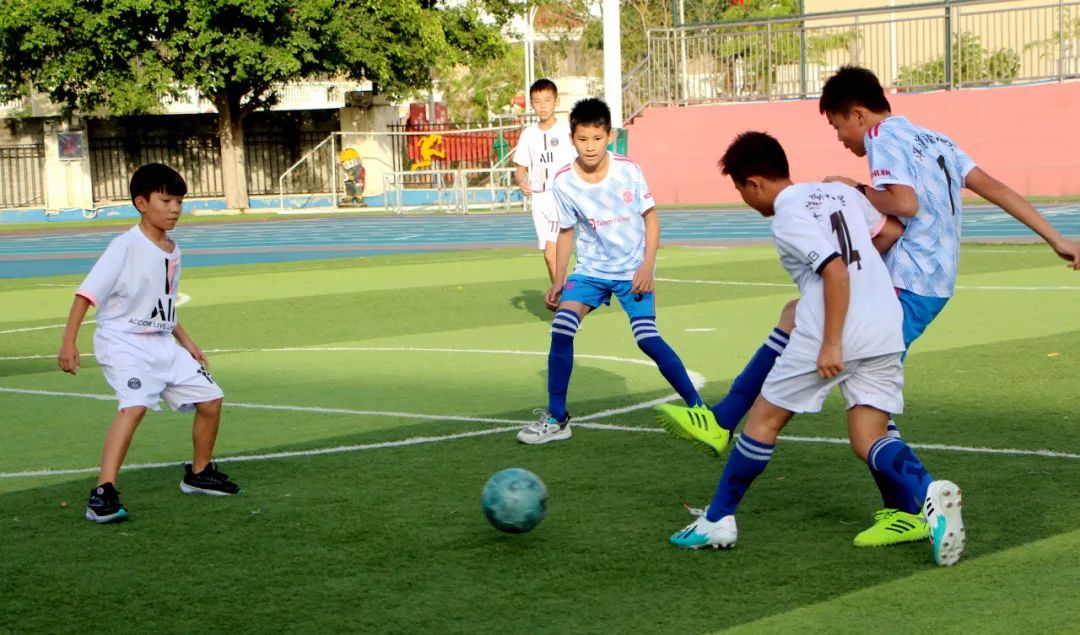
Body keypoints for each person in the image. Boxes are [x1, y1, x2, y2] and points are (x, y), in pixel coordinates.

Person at [669, 131, 965, 567]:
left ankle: (717, 519)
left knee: (763, 420)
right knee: (869, 437)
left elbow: (835, 272)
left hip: (834, 327)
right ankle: (929, 494)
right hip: (885, 322)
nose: (744, 200)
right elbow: (890, 230)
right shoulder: (838, 193)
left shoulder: (787, 216)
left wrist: (831, 343)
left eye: (740, 190)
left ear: (753, 183)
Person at [816, 65, 1079, 545]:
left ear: (856, 113)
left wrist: (854, 189)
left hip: (906, 284)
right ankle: (901, 511)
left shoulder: (880, 137)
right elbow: (994, 187)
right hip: (935, 284)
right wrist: (1055, 237)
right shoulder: (935, 139)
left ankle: (925, 501)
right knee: (871, 396)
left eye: (837, 127)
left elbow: (904, 204)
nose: (840, 138)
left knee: (864, 420)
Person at [516, 98, 711, 445]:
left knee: (647, 339)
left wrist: (647, 267)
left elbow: (651, 220)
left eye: (597, 138)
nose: (590, 146)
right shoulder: (563, 181)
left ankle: (701, 409)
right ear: (572, 139)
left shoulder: (629, 170)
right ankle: (557, 418)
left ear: (610, 136)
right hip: (590, 271)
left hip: (632, 271)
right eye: (582, 139)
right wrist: (559, 281)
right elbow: (565, 232)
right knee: (562, 328)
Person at [57, 163, 240, 524]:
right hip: (122, 341)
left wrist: (186, 341)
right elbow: (85, 295)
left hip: (161, 342)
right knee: (135, 406)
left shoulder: (172, 249)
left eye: (179, 202)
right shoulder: (124, 246)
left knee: (211, 399)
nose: (175, 209)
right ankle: (102, 493)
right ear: (142, 203)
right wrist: (68, 343)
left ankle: (199, 473)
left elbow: (163, 302)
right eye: (166, 201)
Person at [514, 79, 578, 284]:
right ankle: (561, 292)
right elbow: (520, 169)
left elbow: (582, 159)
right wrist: (521, 182)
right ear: (532, 104)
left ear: (556, 101)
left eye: (547, 100)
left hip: (560, 197)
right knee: (549, 255)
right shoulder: (528, 135)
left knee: (552, 254)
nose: (542, 106)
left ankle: (565, 295)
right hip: (539, 199)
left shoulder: (567, 131)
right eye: (537, 101)